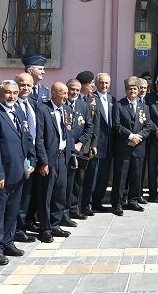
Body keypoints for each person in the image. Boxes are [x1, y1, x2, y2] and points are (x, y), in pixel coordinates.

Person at [0, 80, 36, 266]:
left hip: (19, 173)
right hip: (1, 175)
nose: (12, 96)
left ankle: (7, 242)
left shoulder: (19, 112)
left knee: (12, 211)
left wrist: (32, 159)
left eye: (14, 92)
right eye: (7, 92)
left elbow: (27, 139)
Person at [34, 82, 73, 242]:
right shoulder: (43, 109)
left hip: (63, 157)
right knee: (46, 194)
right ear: (53, 93)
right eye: (62, 93)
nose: (65, 96)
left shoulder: (67, 110)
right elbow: (40, 138)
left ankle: (56, 224)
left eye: (66, 93)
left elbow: (68, 134)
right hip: (49, 159)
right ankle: (45, 228)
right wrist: (43, 161)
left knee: (60, 192)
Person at [111, 76, 153, 215]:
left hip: (138, 147)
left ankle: (133, 201)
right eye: (130, 89)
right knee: (120, 176)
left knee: (136, 175)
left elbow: (147, 126)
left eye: (135, 89)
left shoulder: (144, 107)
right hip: (124, 146)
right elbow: (116, 125)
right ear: (126, 90)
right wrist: (131, 136)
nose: (133, 91)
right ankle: (117, 203)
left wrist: (138, 137)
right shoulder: (119, 105)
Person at [82, 73, 115, 215]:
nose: (104, 85)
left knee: (104, 175)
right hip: (96, 143)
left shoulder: (112, 99)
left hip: (108, 144)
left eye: (107, 83)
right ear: (96, 83)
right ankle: (86, 203)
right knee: (92, 176)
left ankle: (97, 201)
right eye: (101, 83)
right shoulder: (91, 99)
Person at [13, 72, 39, 243]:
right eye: (22, 85)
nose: (26, 88)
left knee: (28, 195)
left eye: (29, 85)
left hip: (33, 155)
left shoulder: (33, 105)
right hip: (17, 158)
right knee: (17, 196)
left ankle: (24, 224)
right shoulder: (11, 105)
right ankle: (16, 229)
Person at [64, 78, 94, 222]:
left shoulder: (83, 105)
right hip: (65, 151)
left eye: (77, 89)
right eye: (72, 89)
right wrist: (71, 145)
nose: (74, 92)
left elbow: (90, 127)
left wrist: (80, 143)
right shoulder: (61, 104)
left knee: (77, 181)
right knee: (65, 182)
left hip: (79, 150)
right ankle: (63, 212)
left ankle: (74, 209)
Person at [70, 71, 98, 219]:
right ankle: (70, 209)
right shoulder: (69, 100)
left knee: (80, 181)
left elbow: (93, 125)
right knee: (70, 181)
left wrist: (90, 144)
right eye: (91, 83)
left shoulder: (91, 100)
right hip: (70, 147)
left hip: (84, 146)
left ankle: (78, 207)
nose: (93, 85)